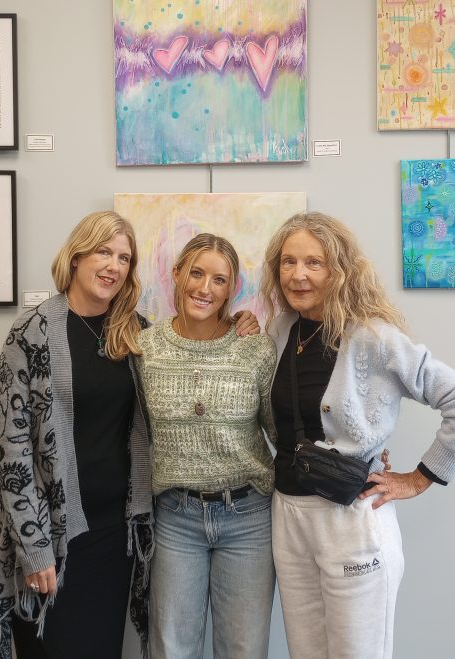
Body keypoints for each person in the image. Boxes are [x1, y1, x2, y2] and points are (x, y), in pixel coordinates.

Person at [260, 212, 455, 659]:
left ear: (339, 270)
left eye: (313, 262)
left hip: (350, 521)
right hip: (288, 518)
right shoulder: (281, 331)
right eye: (288, 262)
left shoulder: (374, 338)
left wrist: (419, 478)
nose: (298, 274)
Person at [0, 211, 153, 659]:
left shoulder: (135, 333)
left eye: (124, 258)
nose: (113, 266)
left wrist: (240, 322)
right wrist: (35, 547)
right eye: (103, 251)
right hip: (51, 535)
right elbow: (11, 449)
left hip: (114, 534)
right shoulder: (32, 332)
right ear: (77, 256)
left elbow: (192, 347)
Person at [135, 233, 278, 659]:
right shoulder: (145, 348)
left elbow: (280, 431)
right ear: (177, 274)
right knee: (170, 648)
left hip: (248, 518)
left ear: (231, 288)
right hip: (175, 518)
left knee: (243, 649)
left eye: (219, 279)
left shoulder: (255, 348)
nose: (205, 288)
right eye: (196, 273)